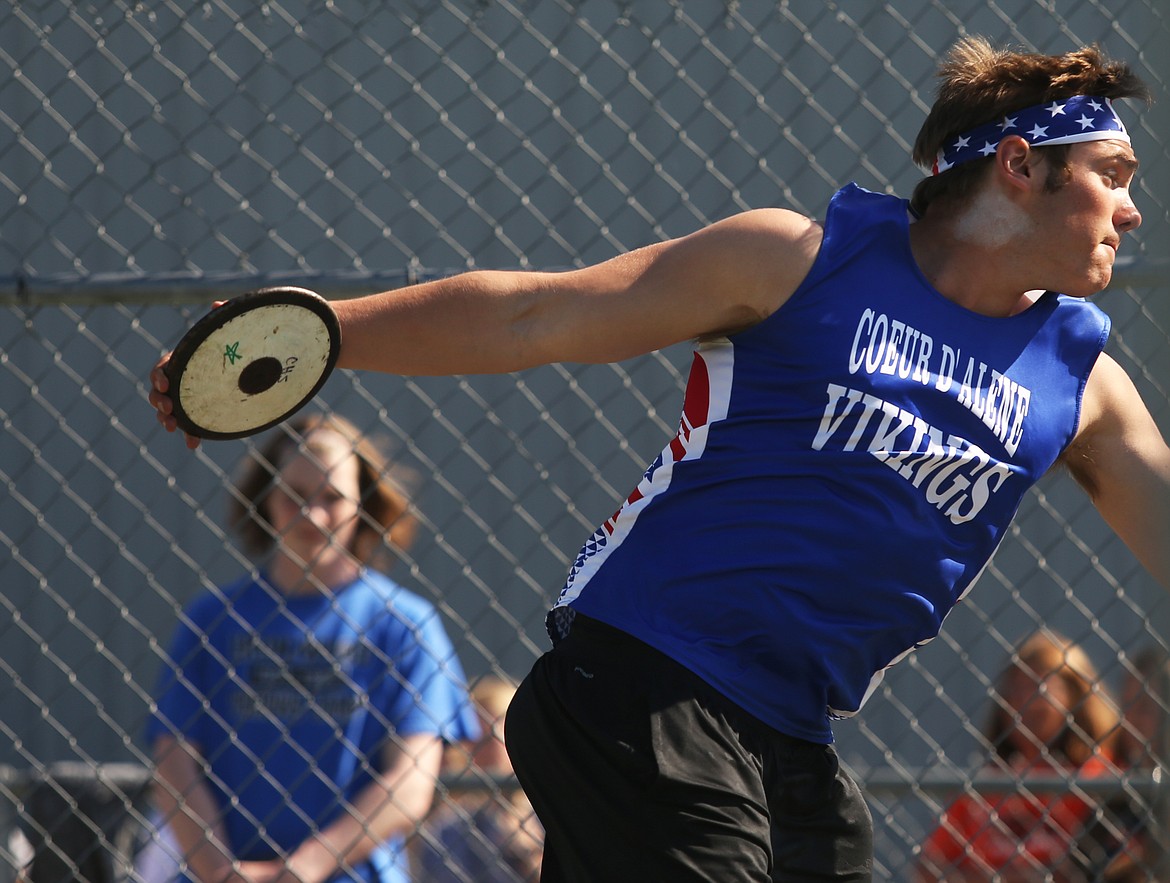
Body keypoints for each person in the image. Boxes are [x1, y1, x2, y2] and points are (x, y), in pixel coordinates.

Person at [149, 37, 1170, 882]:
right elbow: (536, 317)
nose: (1132, 208)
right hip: (641, 685)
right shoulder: (798, 258)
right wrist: (321, 331)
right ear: (1020, 163)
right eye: (1113, 176)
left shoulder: (1084, 385)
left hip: (791, 738)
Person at [141, 413, 480, 883]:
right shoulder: (211, 621)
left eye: (332, 498)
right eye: (294, 496)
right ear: (266, 498)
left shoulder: (406, 626)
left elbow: (410, 784)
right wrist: (222, 873)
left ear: (362, 502)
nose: (312, 515)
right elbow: (174, 763)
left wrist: (306, 868)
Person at [915, 631, 1121, 881]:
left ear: (1076, 697)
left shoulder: (1099, 776)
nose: (1027, 702)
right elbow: (931, 864)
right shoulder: (984, 785)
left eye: (1042, 689)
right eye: (1016, 690)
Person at [414, 676, 544, 882]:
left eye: (498, 731)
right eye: (479, 737)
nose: (490, 746)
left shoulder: (549, 809)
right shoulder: (452, 829)